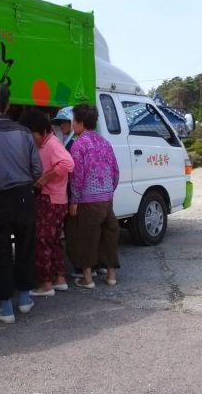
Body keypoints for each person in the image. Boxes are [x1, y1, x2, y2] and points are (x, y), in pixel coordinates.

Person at [0, 84, 42, 323]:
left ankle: (6, 307)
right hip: (24, 196)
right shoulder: (25, 133)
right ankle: (24, 299)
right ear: (9, 104)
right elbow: (37, 169)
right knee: (25, 246)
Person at [19, 108, 74, 296]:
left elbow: (68, 163)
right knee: (53, 241)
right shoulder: (44, 144)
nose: (30, 139)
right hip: (57, 200)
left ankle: (45, 284)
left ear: (41, 130)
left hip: (50, 200)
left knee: (41, 241)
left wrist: (45, 178)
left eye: (31, 134)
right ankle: (60, 279)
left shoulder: (51, 144)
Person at [66, 103, 121, 288]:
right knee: (109, 236)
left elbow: (77, 176)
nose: (72, 124)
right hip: (106, 199)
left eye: (73, 120)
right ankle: (111, 276)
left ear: (80, 122)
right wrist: (108, 192)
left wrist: (74, 201)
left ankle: (88, 279)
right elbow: (115, 172)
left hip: (87, 201)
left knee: (85, 237)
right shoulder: (105, 142)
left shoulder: (78, 145)